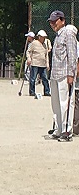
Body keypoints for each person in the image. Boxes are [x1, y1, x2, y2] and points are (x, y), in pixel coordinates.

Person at [47, 10, 77, 141]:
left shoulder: (68, 33)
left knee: (66, 103)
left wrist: (71, 74)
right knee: (56, 104)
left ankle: (67, 130)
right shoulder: (57, 35)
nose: (53, 24)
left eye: (55, 21)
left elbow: (72, 55)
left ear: (62, 20)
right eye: (51, 22)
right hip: (55, 74)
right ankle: (58, 128)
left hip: (65, 74)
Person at [26, 30, 51, 97]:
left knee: (45, 79)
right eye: (43, 37)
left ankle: (47, 91)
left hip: (43, 64)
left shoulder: (45, 45)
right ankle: (32, 92)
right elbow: (28, 51)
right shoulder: (34, 43)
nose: (44, 38)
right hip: (35, 64)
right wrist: (29, 58)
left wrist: (47, 64)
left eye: (44, 37)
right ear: (39, 37)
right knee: (33, 78)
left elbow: (46, 55)